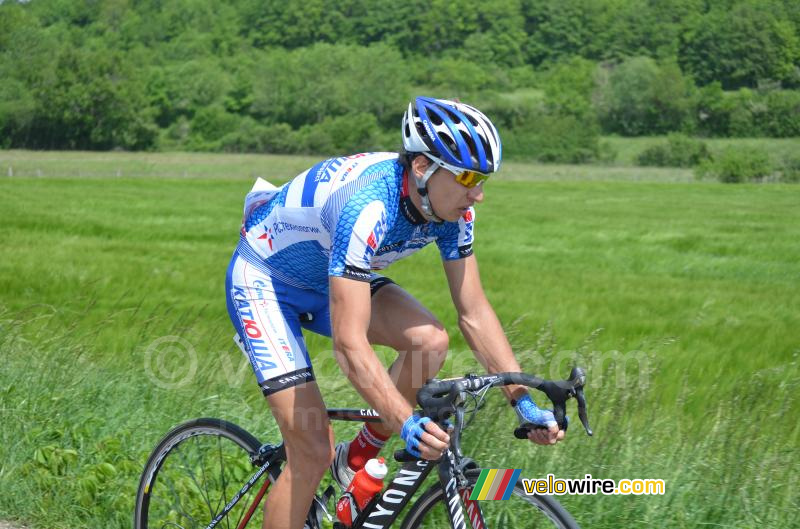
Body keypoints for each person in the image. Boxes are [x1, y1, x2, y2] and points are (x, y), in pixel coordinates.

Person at [226, 96, 566, 529]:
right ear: (423, 168)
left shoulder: (455, 211)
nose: (477, 193)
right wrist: (406, 422)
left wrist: (522, 401)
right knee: (311, 451)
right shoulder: (368, 206)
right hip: (266, 283)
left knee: (429, 341)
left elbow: (474, 311)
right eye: (467, 177)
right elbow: (350, 346)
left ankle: (358, 455)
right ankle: (327, 461)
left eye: (483, 179)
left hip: (333, 277)